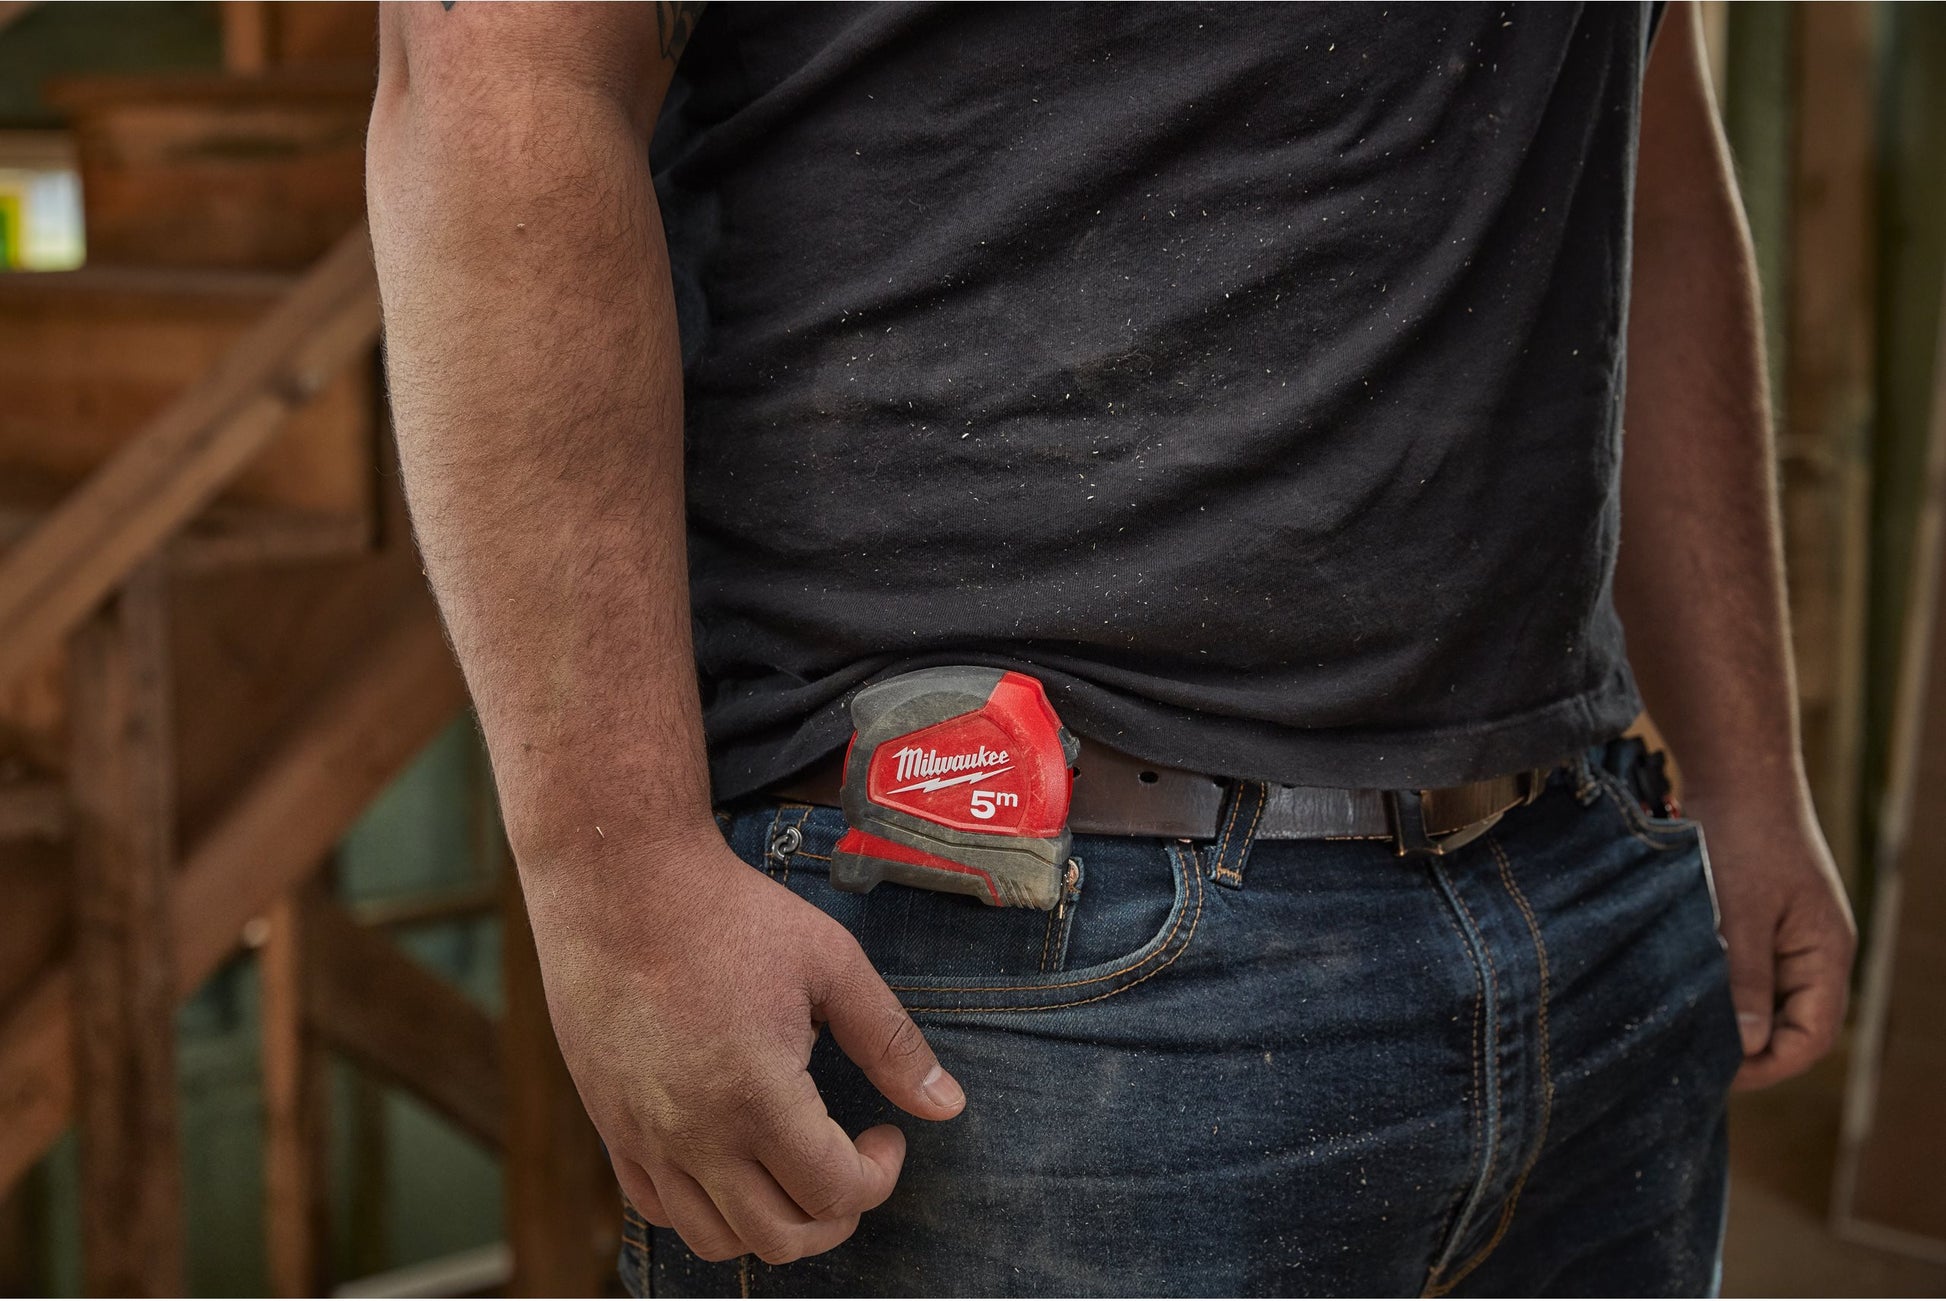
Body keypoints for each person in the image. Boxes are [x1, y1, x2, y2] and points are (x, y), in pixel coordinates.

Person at [366, 2, 1856, 1294]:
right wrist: (617, 878)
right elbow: (495, 77)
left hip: (1587, 893)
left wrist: (1746, 775)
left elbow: (1642, 158)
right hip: (1015, 962)